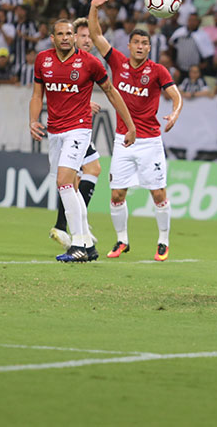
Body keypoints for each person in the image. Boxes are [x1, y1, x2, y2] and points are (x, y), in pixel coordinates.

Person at [29, 18, 137, 263]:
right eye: (61, 34)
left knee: (65, 181)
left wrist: (130, 125)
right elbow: (37, 94)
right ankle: (87, 244)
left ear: (74, 37)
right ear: (53, 38)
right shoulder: (42, 60)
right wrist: (33, 119)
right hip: (55, 132)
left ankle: (77, 243)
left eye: (69, 33)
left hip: (78, 130)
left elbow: (111, 92)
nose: (66, 37)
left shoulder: (90, 63)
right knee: (68, 186)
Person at [88, 0, 183, 261]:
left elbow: (175, 95)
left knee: (158, 193)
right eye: (137, 42)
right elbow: (96, 36)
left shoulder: (157, 70)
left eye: (145, 43)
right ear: (129, 45)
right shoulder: (117, 61)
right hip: (123, 140)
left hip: (150, 141)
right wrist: (94, 8)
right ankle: (122, 241)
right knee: (117, 193)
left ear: (150, 48)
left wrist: (175, 112)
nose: (141, 46)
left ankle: (163, 241)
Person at [48, 17, 106, 252]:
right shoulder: (63, 57)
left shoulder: (87, 62)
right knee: (71, 178)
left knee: (90, 170)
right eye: (83, 36)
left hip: (77, 124)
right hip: (71, 126)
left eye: (90, 38)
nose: (87, 41)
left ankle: (71, 224)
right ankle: (67, 227)